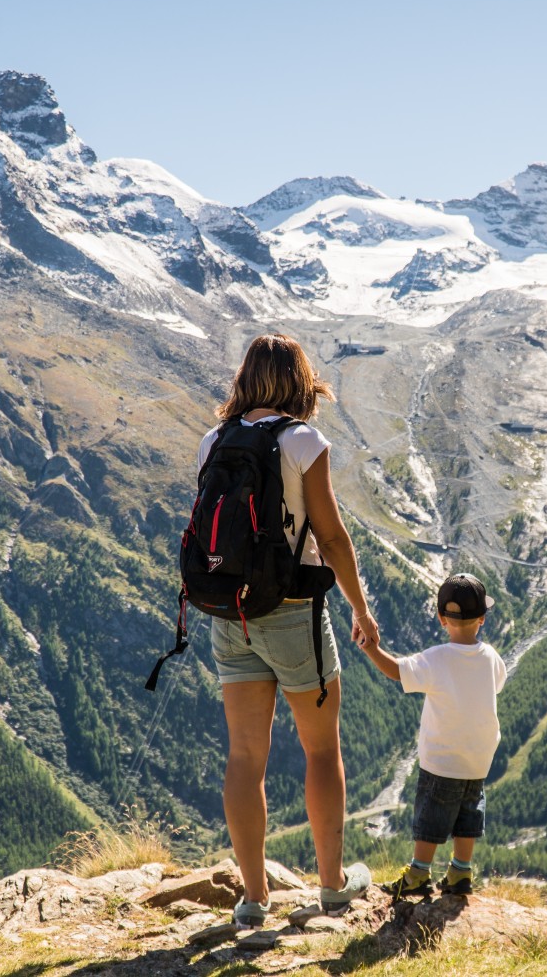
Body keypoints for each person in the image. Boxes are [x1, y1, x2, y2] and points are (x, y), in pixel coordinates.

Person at [201, 333, 378, 927]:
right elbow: (329, 537)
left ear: (246, 378)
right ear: (300, 381)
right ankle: (331, 886)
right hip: (295, 612)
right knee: (321, 749)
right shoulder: (304, 440)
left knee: (245, 755)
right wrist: (360, 607)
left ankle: (252, 901)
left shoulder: (214, 440)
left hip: (232, 613)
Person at [358, 572, 507, 897]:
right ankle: (460, 873)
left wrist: (371, 649)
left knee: (431, 815)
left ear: (441, 619)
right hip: (478, 758)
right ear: (482, 618)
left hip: (442, 758)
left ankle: (418, 875)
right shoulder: (491, 656)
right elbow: (498, 685)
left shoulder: (436, 658)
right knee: (469, 812)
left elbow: (397, 671)